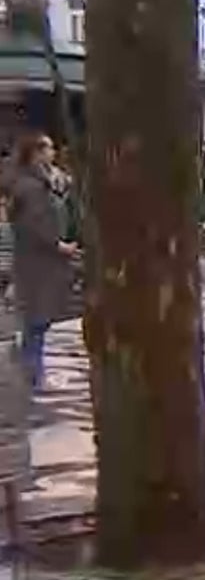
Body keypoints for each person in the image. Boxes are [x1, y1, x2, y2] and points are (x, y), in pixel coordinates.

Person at [9, 133, 78, 392]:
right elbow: (34, 223)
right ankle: (33, 374)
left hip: (40, 261)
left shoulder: (45, 181)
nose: (53, 151)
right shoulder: (31, 186)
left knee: (38, 319)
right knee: (36, 319)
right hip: (37, 261)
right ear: (36, 152)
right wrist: (58, 244)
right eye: (48, 147)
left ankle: (29, 365)